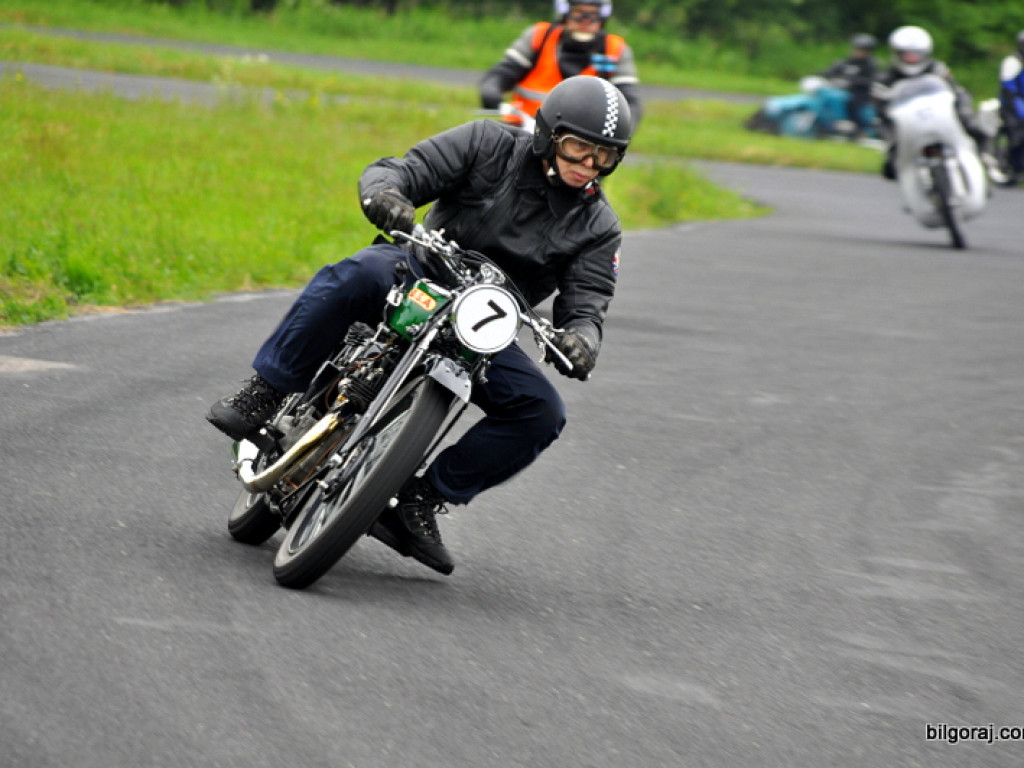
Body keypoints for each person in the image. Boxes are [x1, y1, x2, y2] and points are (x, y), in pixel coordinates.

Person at [207, 76, 632, 576]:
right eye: (579, 147)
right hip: (420, 273)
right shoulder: (487, 143)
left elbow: (588, 303)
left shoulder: (599, 227)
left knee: (542, 412)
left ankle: (421, 500)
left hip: (482, 329)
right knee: (359, 272)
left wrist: (583, 339)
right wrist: (387, 194)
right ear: (548, 135)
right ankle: (267, 389)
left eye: (603, 156)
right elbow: (403, 170)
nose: (588, 165)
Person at [478, 0, 642, 131]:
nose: (585, 22)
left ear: (604, 16)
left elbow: (630, 101)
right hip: (522, 127)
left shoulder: (614, 49)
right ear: (564, 12)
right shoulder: (540, 36)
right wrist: (491, 89)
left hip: (579, 135)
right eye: (578, 14)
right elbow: (503, 72)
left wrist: (624, 129)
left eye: (593, 15)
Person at [873, 25, 984, 179]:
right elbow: (881, 108)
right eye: (906, 54)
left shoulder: (937, 69)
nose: (912, 58)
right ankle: (899, 161)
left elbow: (956, 91)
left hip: (941, 116)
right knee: (890, 166)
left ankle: (979, 162)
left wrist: (963, 112)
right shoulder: (885, 78)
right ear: (896, 53)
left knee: (971, 124)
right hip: (909, 124)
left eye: (916, 54)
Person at [818, 33, 879, 135]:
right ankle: (827, 124)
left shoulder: (871, 66)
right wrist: (819, 76)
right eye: (857, 49)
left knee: (835, 97)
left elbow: (871, 81)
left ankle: (843, 124)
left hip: (859, 98)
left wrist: (850, 83)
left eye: (863, 50)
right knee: (827, 94)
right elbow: (829, 73)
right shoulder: (845, 63)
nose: (858, 52)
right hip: (843, 94)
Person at [998, 30, 1024, 177]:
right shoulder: (1012, 62)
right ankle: (1014, 167)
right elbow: (1008, 88)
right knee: (1017, 136)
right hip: (1011, 105)